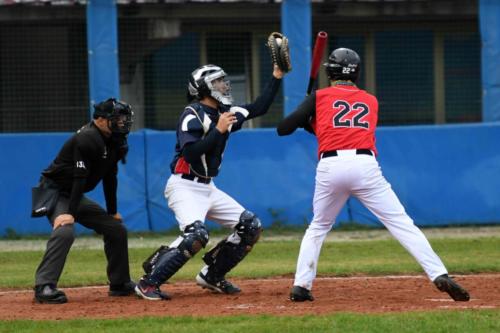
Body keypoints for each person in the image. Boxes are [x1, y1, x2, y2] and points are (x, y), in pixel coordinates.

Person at [277, 48, 470, 303]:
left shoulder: (319, 96)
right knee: (401, 222)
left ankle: (301, 285)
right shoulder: (370, 100)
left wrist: (305, 114)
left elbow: (284, 129)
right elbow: (340, 129)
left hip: (331, 167)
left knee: (319, 226)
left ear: (330, 71)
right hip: (364, 164)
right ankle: (438, 273)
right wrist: (310, 118)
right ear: (356, 72)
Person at [135, 63, 286, 300]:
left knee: (251, 227)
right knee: (197, 235)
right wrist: (217, 130)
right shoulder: (191, 113)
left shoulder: (225, 111)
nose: (224, 85)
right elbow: (190, 154)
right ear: (203, 88)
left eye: (223, 80)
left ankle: (212, 275)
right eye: (217, 82)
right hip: (183, 185)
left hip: (208, 187)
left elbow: (260, 107)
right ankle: (148, 282)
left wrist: (277, 75)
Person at [32, 98, 136, 304]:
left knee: (116, 229)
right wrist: (69, 213)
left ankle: (120, 283)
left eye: (124, 119)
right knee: (65, 231)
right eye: (117, 118)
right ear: (99, 119)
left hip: (74, 194)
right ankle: (44, 286)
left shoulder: (117, 141)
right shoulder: (87, 138)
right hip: (53, 191)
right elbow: (79, 177)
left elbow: (110, 177)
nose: (123, 123)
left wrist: (112, 211)